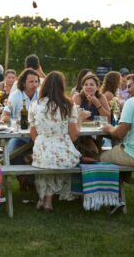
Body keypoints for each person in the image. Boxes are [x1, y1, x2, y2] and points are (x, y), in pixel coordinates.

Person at [30, 71, 88, 212]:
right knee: (58, 159)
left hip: (41, 150)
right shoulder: (69, 106)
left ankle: (45, 198)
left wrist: (44, 142)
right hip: (63, 151)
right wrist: (80, 119)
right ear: (62, 87)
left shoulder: (35, 105)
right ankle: (48, 199)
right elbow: (74, 136)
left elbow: (33, 135)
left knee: (48, 160)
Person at [101, 73, 134, 209]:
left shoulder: (132, 102)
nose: (127, 90)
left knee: (100, 156)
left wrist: (110, 128)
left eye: (129, 86)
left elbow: (119, 134)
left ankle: (114, 198)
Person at [1, 68, 40, 189]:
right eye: (31, 82)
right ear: (24, 83)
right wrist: (16, 120)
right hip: (20, 136)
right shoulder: (16, 95)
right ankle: (22, 178)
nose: (34, 85)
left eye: (36, 81)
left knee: (42, 151)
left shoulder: (41, 94)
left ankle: (31, 180)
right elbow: (4, 116)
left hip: (38, 135)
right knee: (11, 152)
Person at [72, 73, 110, 155]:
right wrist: (95, 122)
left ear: (97, 87)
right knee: (87, 140)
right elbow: (75, 118)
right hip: (80, 132)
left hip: (97, 133)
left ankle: (91, 157)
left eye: (92, 84)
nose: (88, 87)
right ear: (83, 87)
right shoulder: (78, 97)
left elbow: (108, 119)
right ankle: (94, 157)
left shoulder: (101, 98)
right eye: (86, 84)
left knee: (92, 143)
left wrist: (97, 104)